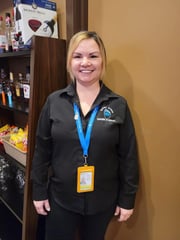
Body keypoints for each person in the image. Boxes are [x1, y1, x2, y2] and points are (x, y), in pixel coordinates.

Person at [31, 31, 139, 240]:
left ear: (102, 60)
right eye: (78, 56)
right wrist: (38, 191)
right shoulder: (54, 102)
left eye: (93, 56)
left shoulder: (118, 105)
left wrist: (128, 198)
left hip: (103, 201)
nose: (85, 62)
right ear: (70, 61)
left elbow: (129, 156)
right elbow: (41, 151)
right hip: (60, 200)